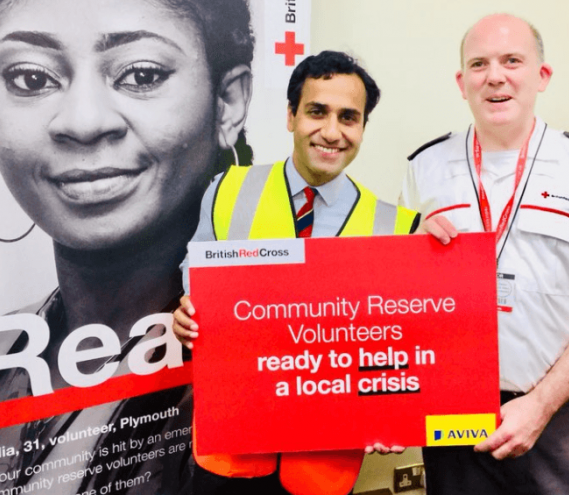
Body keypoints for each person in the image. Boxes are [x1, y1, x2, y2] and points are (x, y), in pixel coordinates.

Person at [0, 0, 255, 494]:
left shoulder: (268, 347)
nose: (83, 122)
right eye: (31, 77)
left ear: (227, 101)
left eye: (141, 74)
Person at [399, 13, 569, 494]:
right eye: (479, 64)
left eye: (512, 61)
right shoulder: (425, 168)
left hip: (562, 416)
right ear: (462, 82)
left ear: (541, 76)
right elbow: (399, 297)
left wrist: (541, 404)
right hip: (454, 416)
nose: (496, 76)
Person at [172, 50, 418, 495]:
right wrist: (188, 311)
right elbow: (197, 270)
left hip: (324, 462)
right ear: (290, 116)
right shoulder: (228, 189)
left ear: (362, 128)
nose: (331, 132)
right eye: (317, 112)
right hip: (231, 450)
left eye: (349, 117)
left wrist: (394, 412)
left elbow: (397, 344)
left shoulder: (396, 228)